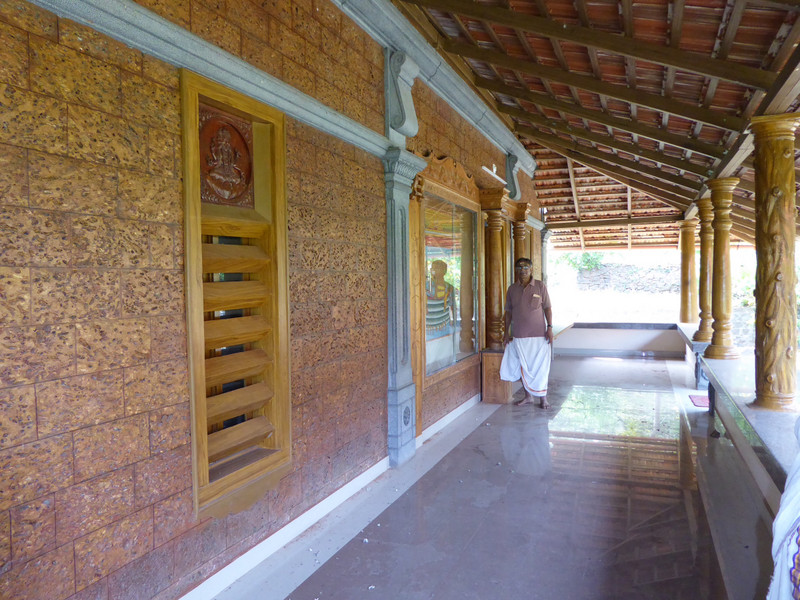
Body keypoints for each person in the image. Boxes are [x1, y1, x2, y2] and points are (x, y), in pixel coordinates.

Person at [500, 257, 554, 408]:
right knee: (523, 366)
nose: (522, 271)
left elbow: (547, 308)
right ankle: (528, 397)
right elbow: (508, 312)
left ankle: (543, 399)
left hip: (539, 335)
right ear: (515, 270)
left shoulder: (540, 286)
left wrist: (549, 327)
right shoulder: (512, 289)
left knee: (540, 367)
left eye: (525, 268)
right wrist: (506, 332)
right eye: (519, 268)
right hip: (519, 335)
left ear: (531, 270)